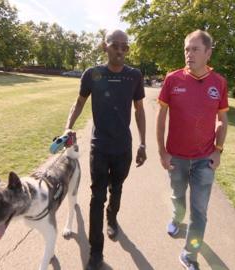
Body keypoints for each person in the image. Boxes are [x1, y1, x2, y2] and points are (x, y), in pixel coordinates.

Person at [64, 29, 147, 270]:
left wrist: (143, 142)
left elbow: (139, 110)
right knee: (96, 197)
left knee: (117, 187)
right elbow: (79, 103)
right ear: (105, 46)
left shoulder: (134, 76)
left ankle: (112, 218)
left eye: (124, 46)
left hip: (123, 148)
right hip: (99, 147)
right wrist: (68, 128)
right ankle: (96, 253)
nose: (120, 50)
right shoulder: (93, 74)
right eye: (115, 45)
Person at [156, 30, 229, 270]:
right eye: (187, 49)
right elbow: (161, 117)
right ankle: (177, 219)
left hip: (203, 160)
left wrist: (218, 149)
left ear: (208, 53)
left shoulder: (219, 83)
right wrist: (162, 152)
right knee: (178, 198)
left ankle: (190, 254)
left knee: (200, 211)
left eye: (195, 49)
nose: (189, 54)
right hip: (176, 157)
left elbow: (222, 120)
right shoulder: (172, 79)